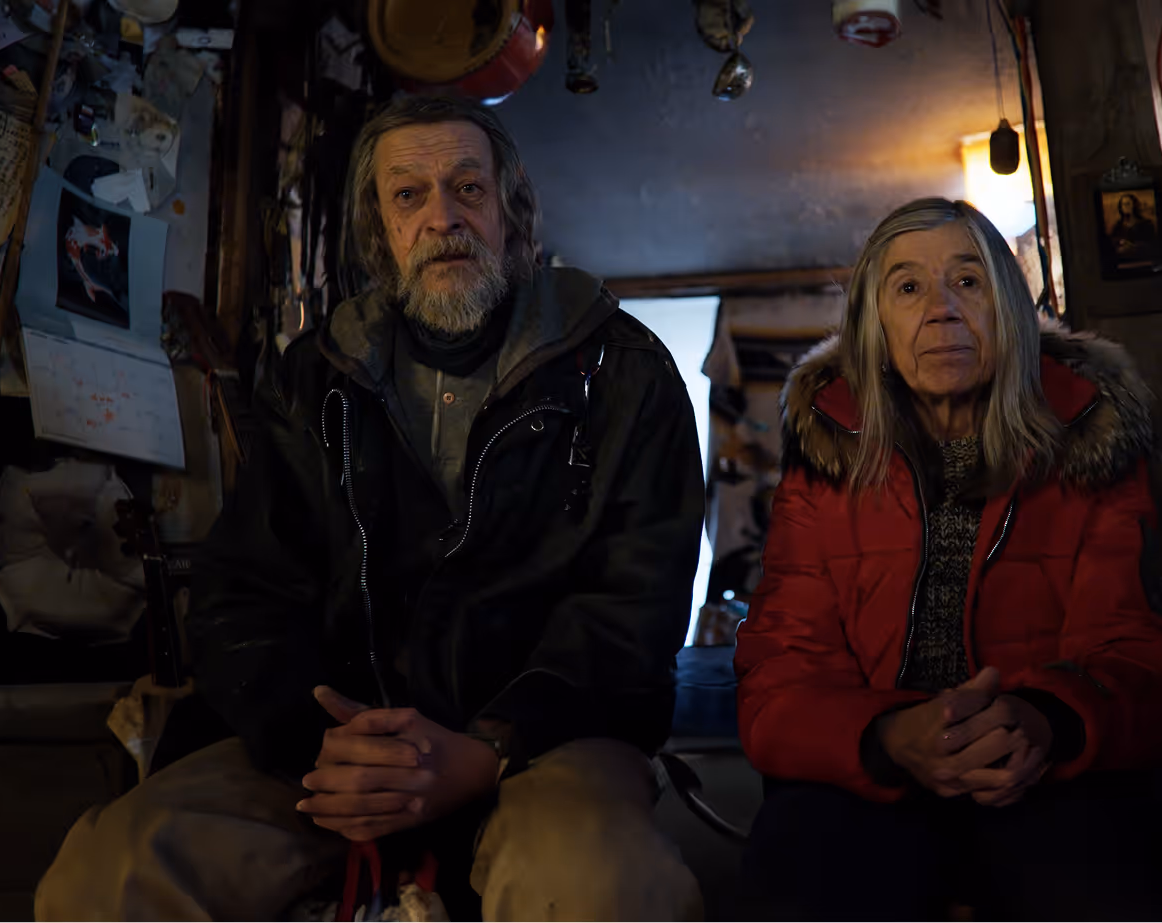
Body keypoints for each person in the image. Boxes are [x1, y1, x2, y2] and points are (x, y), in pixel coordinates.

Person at [36, 96, 707, 921]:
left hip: (545, 742)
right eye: (409, 195)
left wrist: (492, 745)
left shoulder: (625, 372)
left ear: (510, 212)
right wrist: (323, 745)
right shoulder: (312, 378)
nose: (442, 217)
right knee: (107, 875)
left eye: (468, 187)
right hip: (334, 751)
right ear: (378, 228)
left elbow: (632, 611)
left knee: (602, 885)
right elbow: (244, 593)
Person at [734, 198, 1162, 921]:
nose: (943, 310)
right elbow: (780, 675)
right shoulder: (829, 454)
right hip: (872, 774)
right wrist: (889, 736)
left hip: (1047, 774)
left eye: (969, 281)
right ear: (875, 328)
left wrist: (1043, 721)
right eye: (909, 287)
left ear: (1008, 309)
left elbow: (1145, 658)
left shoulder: (1087, 435)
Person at [1110, 192, 1157, 258]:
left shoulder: (1146, 224)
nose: (1125, 206)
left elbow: (1152, 245)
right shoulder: (1117, 227)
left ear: (1134, 205)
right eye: (1123, 204)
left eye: (1128, 204)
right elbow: (1113, 245)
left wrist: (1133, 246)